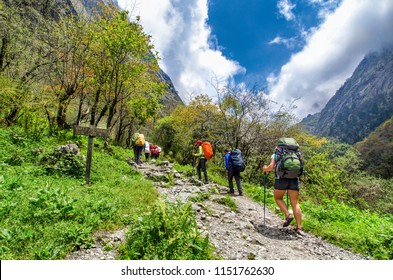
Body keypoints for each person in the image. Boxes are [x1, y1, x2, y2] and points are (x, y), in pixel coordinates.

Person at [263, 146, 303, 235]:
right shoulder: (296, 154)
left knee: (278, 198)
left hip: (281, 179)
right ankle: (299, 227)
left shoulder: (277, 154)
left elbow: (271, 167)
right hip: (294, 179)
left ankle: (288, 215)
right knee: (295, 203)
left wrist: (265, 169)